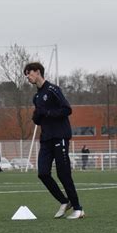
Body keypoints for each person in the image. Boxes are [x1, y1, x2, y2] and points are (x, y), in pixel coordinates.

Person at [24, 62, 84, 219]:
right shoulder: (36, 97)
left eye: (29, 74)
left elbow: (66, 109)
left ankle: (78, 208)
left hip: (60, 136)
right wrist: (37, 116)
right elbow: (39, 119)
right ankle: (64, 201)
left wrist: (48, 112)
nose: (28, 77)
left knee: (63, 174)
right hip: (46, 139)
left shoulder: (53, 90)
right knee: (43, 173)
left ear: (37, 72)